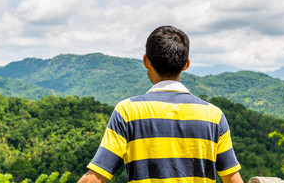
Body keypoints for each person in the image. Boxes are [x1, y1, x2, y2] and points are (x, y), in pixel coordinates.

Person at [78, 26, 243, 183]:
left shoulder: (127, 111)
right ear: (186, 64)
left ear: (146, 61)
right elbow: (232, 179)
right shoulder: (213, 116)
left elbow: (95, 178)